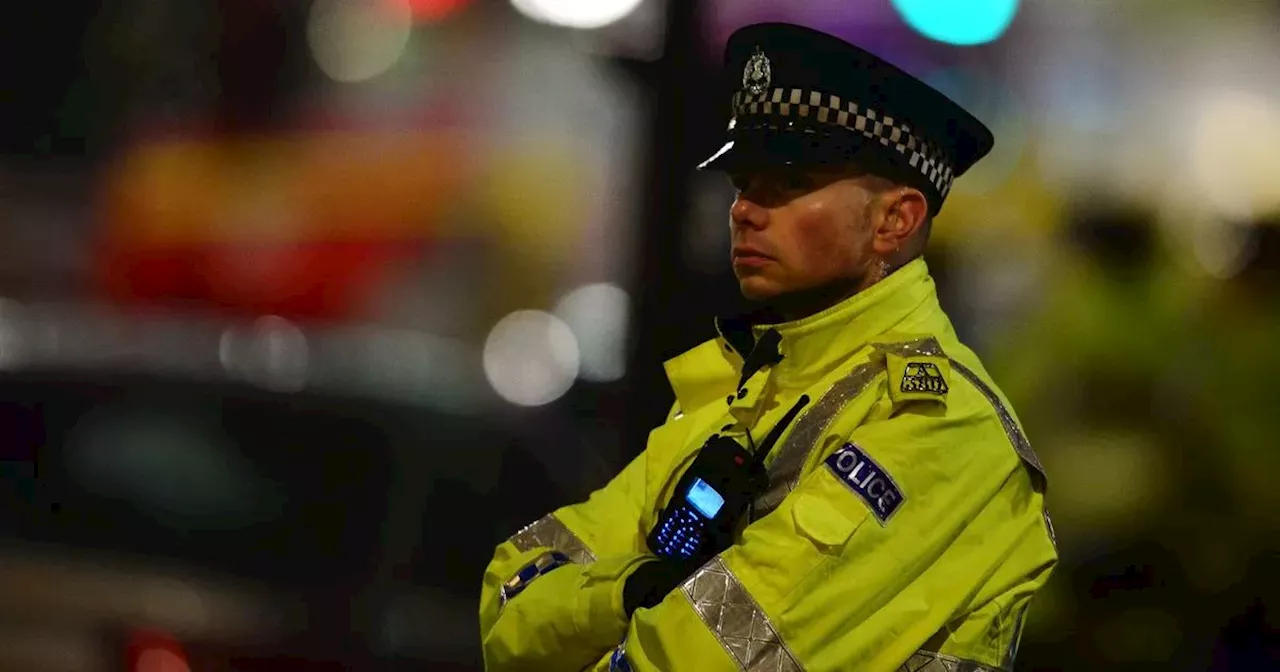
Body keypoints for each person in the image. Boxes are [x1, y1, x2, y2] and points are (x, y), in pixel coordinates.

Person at [479, 23, 1057, 672]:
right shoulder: (745, 387)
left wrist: (604, 606)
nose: (744, 210)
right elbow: (507, 607)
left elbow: (692, 661)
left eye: (786, 185)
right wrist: (632, 590)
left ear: (895, 221)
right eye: (742, 184)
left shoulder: (942, 429)